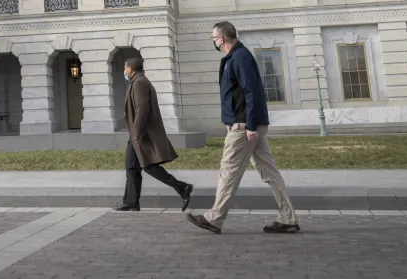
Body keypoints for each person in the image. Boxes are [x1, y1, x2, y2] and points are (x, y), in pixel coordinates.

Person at [187, 21, 300, 234]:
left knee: (228, 171)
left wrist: (249, 125)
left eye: (213, 38)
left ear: (221, 39)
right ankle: (288, 217)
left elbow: (252, 92)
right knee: (269, 172)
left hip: (244, 128)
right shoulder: (236, 57)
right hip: (244, 124)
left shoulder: (240, 57)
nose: (213, 41)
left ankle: (214, 218)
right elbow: (236, 93)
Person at [116, 53, 193, 212]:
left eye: (125, 68)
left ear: (130, 69)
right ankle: (131, 202)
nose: (124, 70)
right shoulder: (137, 81)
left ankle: (182, 187)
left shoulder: (140, 83)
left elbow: (142, 109)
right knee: (132, 166)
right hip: (136, 133)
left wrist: (137, 132)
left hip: (141, 133)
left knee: (149, 165)